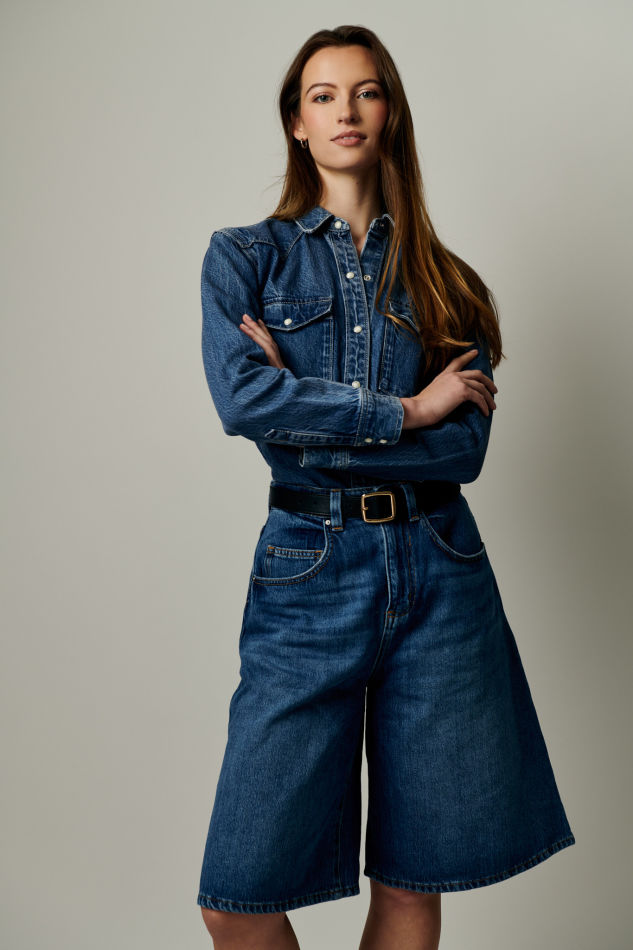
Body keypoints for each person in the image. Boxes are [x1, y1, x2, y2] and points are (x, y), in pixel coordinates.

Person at [196, 24, 575, 950]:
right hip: (307, 571)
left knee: (413, 879)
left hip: (442, 572)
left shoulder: (447, 282)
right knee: (237, 896)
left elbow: (463, 453)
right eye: (322, 95)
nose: (345, 111)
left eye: (365, 91)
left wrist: (311, 420)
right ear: (295, 122)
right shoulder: (245, 258)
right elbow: (244, 403)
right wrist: (408, 410)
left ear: (390, 113)